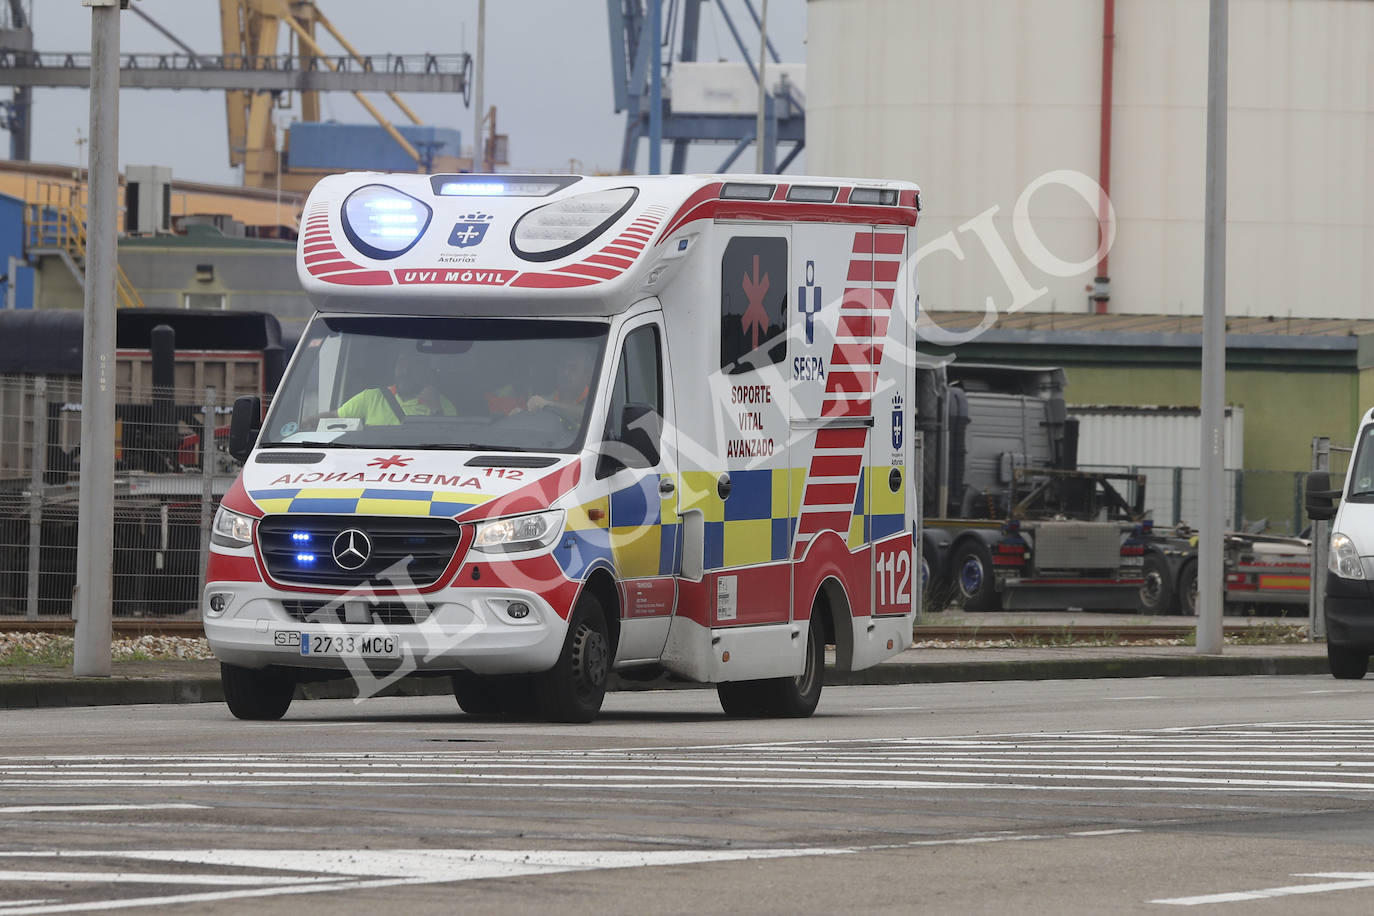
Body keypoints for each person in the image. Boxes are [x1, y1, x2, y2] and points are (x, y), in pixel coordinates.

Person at [336, 353, 456, 426]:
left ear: (425, 372)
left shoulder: (442, 404)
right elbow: (334, 418)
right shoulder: (371, 397)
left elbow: (452, 441)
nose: (404, 372)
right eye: (401, 364)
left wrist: (436, 409)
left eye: (412, 366)